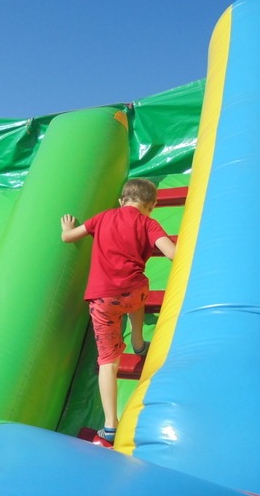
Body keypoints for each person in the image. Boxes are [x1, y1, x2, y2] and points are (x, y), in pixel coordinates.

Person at [60, 178, 176, 444]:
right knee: (136, 297)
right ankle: (138, 341)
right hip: (134, 292)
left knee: (108, 361)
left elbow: (68, 237)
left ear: (122, 200)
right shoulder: (148, 223)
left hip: (102, 299)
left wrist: (67, 227)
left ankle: (111, 424)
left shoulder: (103, 217)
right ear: (152, 205)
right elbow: (171, 253)